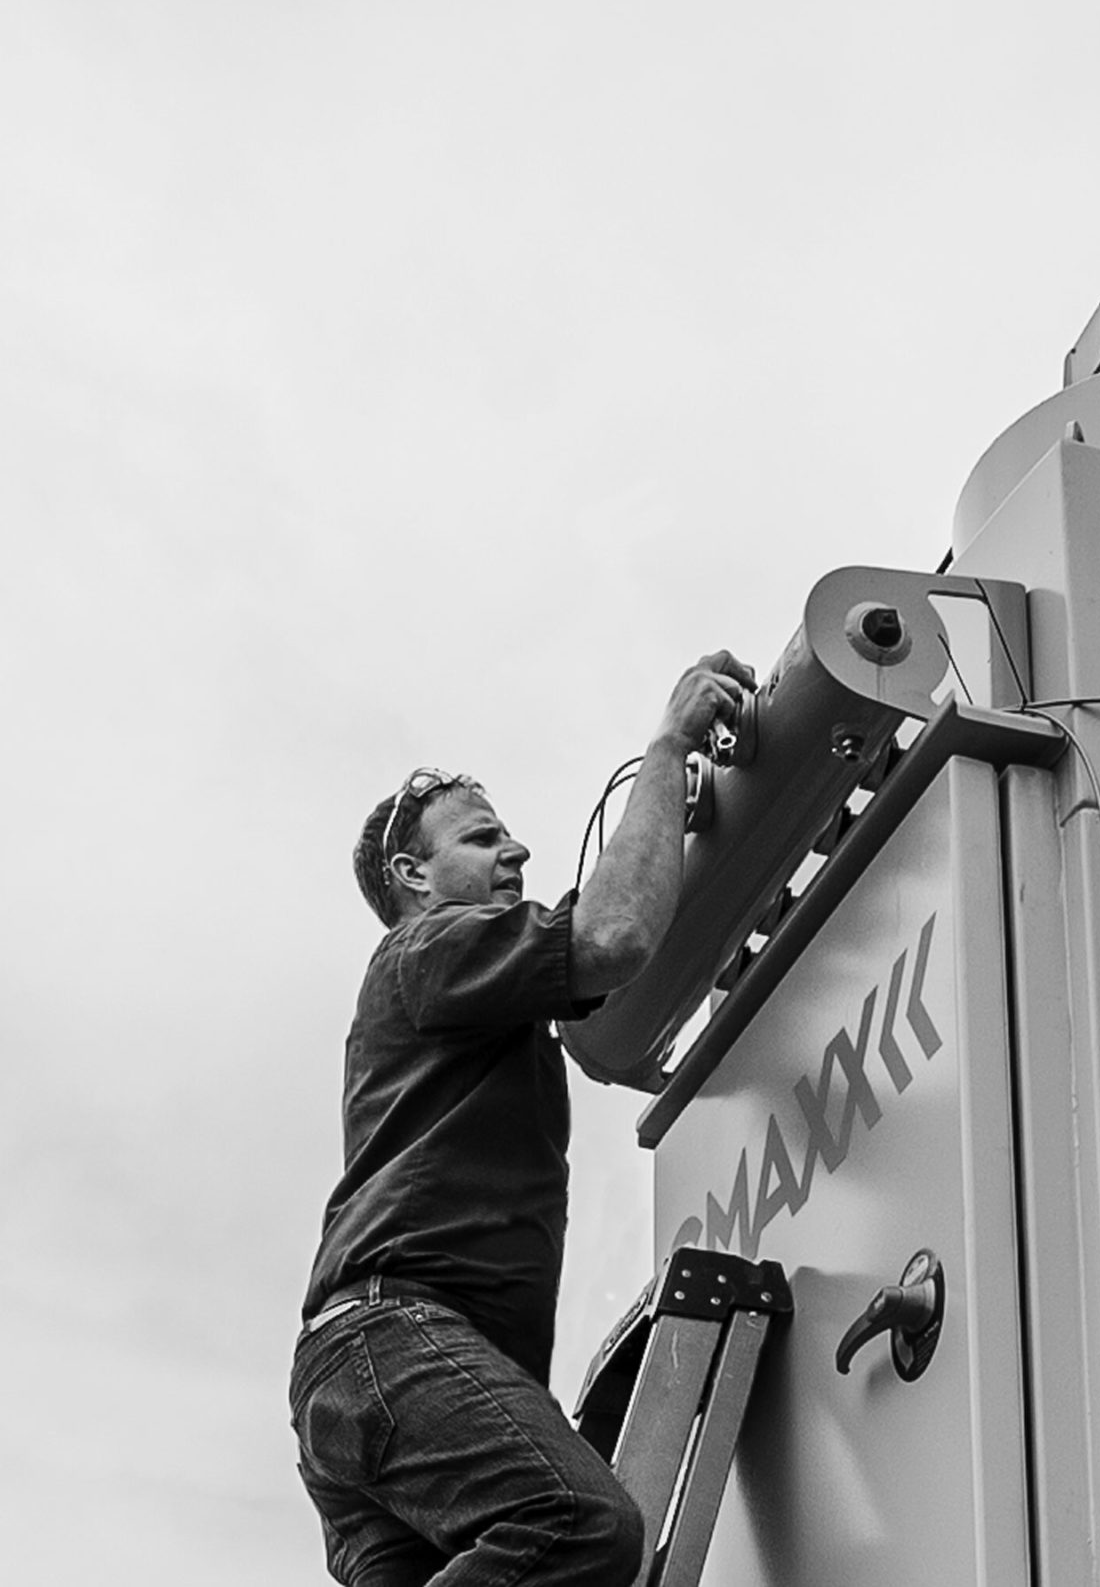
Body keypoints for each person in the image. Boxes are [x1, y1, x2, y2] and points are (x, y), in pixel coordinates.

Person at [290, 650, 757, 1587]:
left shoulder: (465, 989)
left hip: (368, 1375)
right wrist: (666, 750)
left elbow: (607, 950)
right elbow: (611, 938)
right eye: (482, 838)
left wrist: (665, 830)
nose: (518, 852)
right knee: (577, 1523)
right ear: (411, 875)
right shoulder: (426, 948)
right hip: (397, 1342)